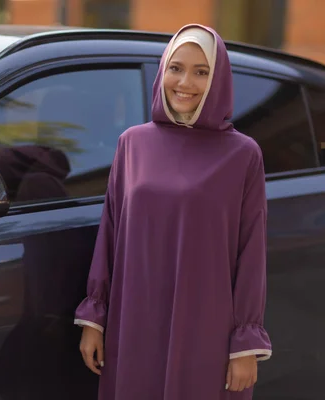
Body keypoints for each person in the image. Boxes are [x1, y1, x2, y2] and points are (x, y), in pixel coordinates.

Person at [74, 23, 272, 399]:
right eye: (176, 68)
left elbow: (252, 253)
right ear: (162, 70)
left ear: (219, 80)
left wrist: (245, 342)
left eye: (202, 72)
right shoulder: (133, 144)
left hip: (205, 326)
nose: (185, 82)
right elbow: (110, 233)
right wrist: (95, 319)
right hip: (135, 318)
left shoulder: (242, 155)